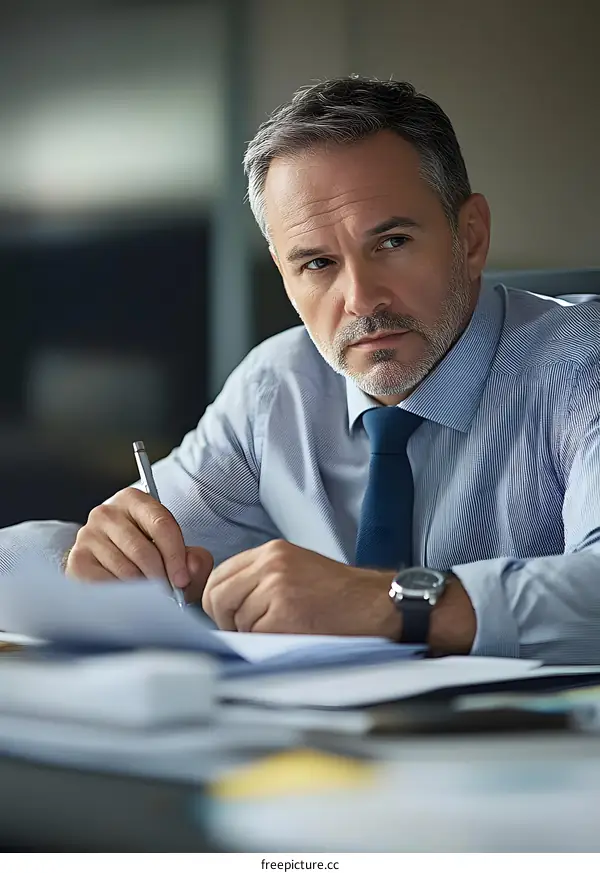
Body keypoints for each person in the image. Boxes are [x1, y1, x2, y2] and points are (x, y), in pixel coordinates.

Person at [2, 77, 600, 662]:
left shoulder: (582, 361)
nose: (362, 299)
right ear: (284, 276)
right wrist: (80, 562)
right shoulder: (277, 387)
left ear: (470, 237)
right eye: (316, 263)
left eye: (391, 242)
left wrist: (384, 604)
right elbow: (39, 565)